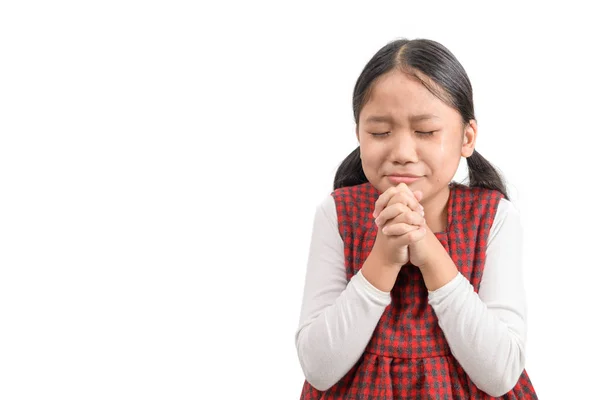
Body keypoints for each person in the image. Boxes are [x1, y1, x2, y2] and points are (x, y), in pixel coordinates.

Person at [294, 38, 538, 399]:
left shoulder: (494, 217)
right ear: (358, 134)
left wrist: (429, 251)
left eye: (425, 131)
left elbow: (501, 373)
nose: (402, 152)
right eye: (380, 132)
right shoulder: (338, 214)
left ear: (467, 137)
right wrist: (383, 259)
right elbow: (318, 367)